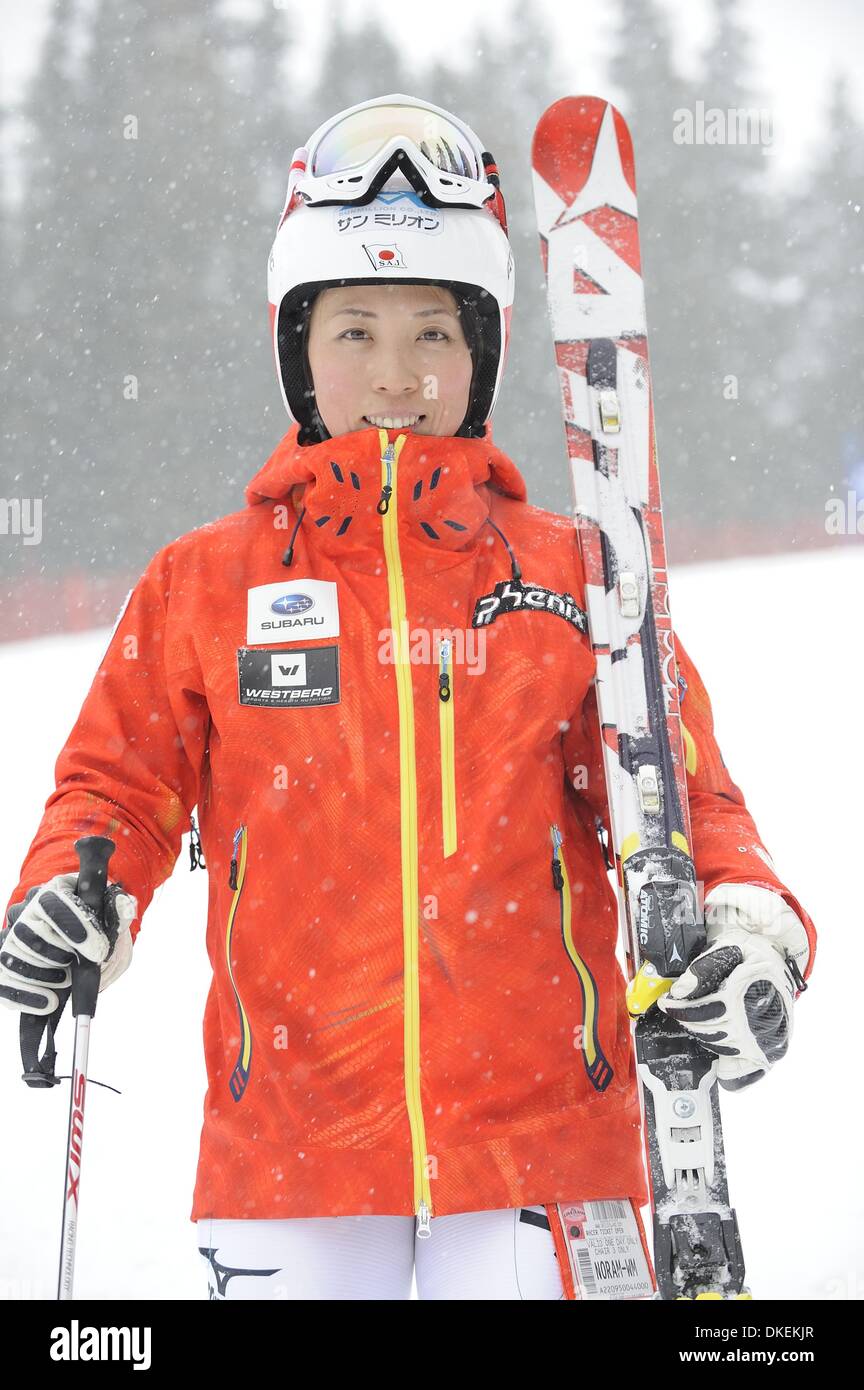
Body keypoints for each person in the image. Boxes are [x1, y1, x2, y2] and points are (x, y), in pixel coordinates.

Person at [0, 94, 815, 1301]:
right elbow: (116, 784)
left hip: (545, 1135)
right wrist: (74, 898)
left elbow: (687, 796)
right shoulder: (203, 582)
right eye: (355, 331)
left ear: (482, 348)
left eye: (434, 332)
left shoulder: (573, 574)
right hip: (289, 1140)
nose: (395, 374)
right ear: (296, 346)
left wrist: (752, 936)